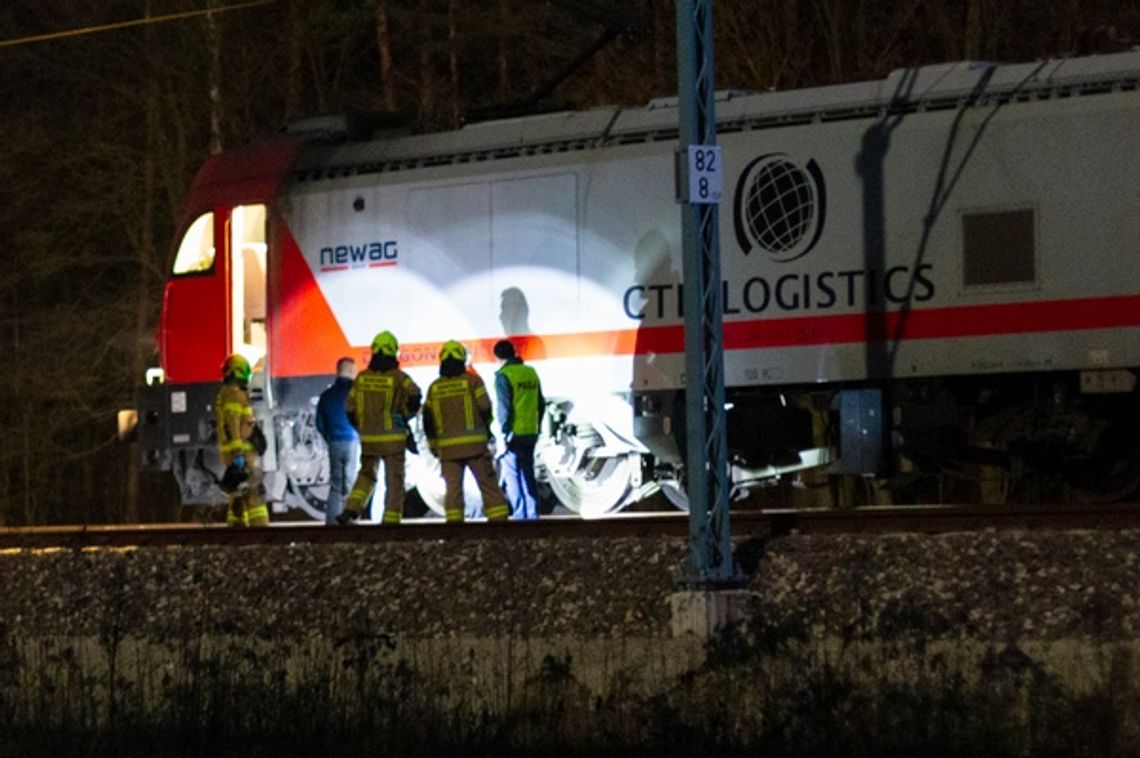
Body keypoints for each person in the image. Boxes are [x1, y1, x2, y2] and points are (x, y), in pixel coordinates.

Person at [339, 331, 421, 525]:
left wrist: (361, 428)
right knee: (394, 481)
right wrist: (405, 416)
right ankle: (391, 520)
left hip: (369, 439)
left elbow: (349, 408)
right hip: (393, 439)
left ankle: (351, 508)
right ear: (394, 353)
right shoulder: (400, 378)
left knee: (366, 475)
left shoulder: (362, 378)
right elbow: (416, 396)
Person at [423, 340, 509, 523]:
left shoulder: (434, 388)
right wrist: (486, 430)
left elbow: (428, 421)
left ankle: (455, 528)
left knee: (453, 491)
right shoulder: (473, 382)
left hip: (448, 450)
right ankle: (500, 524)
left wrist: (433, 446)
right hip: (475, 446)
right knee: (488, 486)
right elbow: (486, 408)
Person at [493, 339, 545, 519]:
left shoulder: (503, 375)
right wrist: (537, 426)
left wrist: (504, 432)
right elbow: (541, 403)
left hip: (513, 434)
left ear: (498, 357)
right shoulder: (530, 372)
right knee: (528, 473)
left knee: (512, 476)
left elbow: (504, 408)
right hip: (531, 432)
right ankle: (533, 513)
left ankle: (519, 514)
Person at [215, 354, 269, 527]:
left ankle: (236, 529)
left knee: (238, 493)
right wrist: (238, 454)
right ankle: (260, 530)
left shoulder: (227, 394)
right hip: (242, 454)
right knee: (254, 492)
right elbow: (233, 426)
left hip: (237, 453)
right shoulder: (234, 396)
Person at [315, 357, 360, 525]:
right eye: (354, 371)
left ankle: (332, 523)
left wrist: (329, 437)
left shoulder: (326, 396)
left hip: (334, 442)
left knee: (335, 484)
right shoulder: (355, 393)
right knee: (350, 482)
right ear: (349, 371)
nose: (356, 374)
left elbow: (319, 422)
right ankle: (350, 521)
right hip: (351, 441)